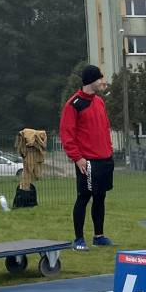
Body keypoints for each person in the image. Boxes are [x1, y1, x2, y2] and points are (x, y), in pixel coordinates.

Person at [59, 67, 115, 250]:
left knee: (100, 197)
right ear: (91, 80)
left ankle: (99, 236)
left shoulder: (99, 101)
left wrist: (109, 150)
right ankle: (79, 239)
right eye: (99, 79)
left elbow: (105, 128)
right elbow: (67, 135)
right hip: (87, 161)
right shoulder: (74, 104)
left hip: (104, 158)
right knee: (83, 197)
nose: (102, 82)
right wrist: (77, 158)